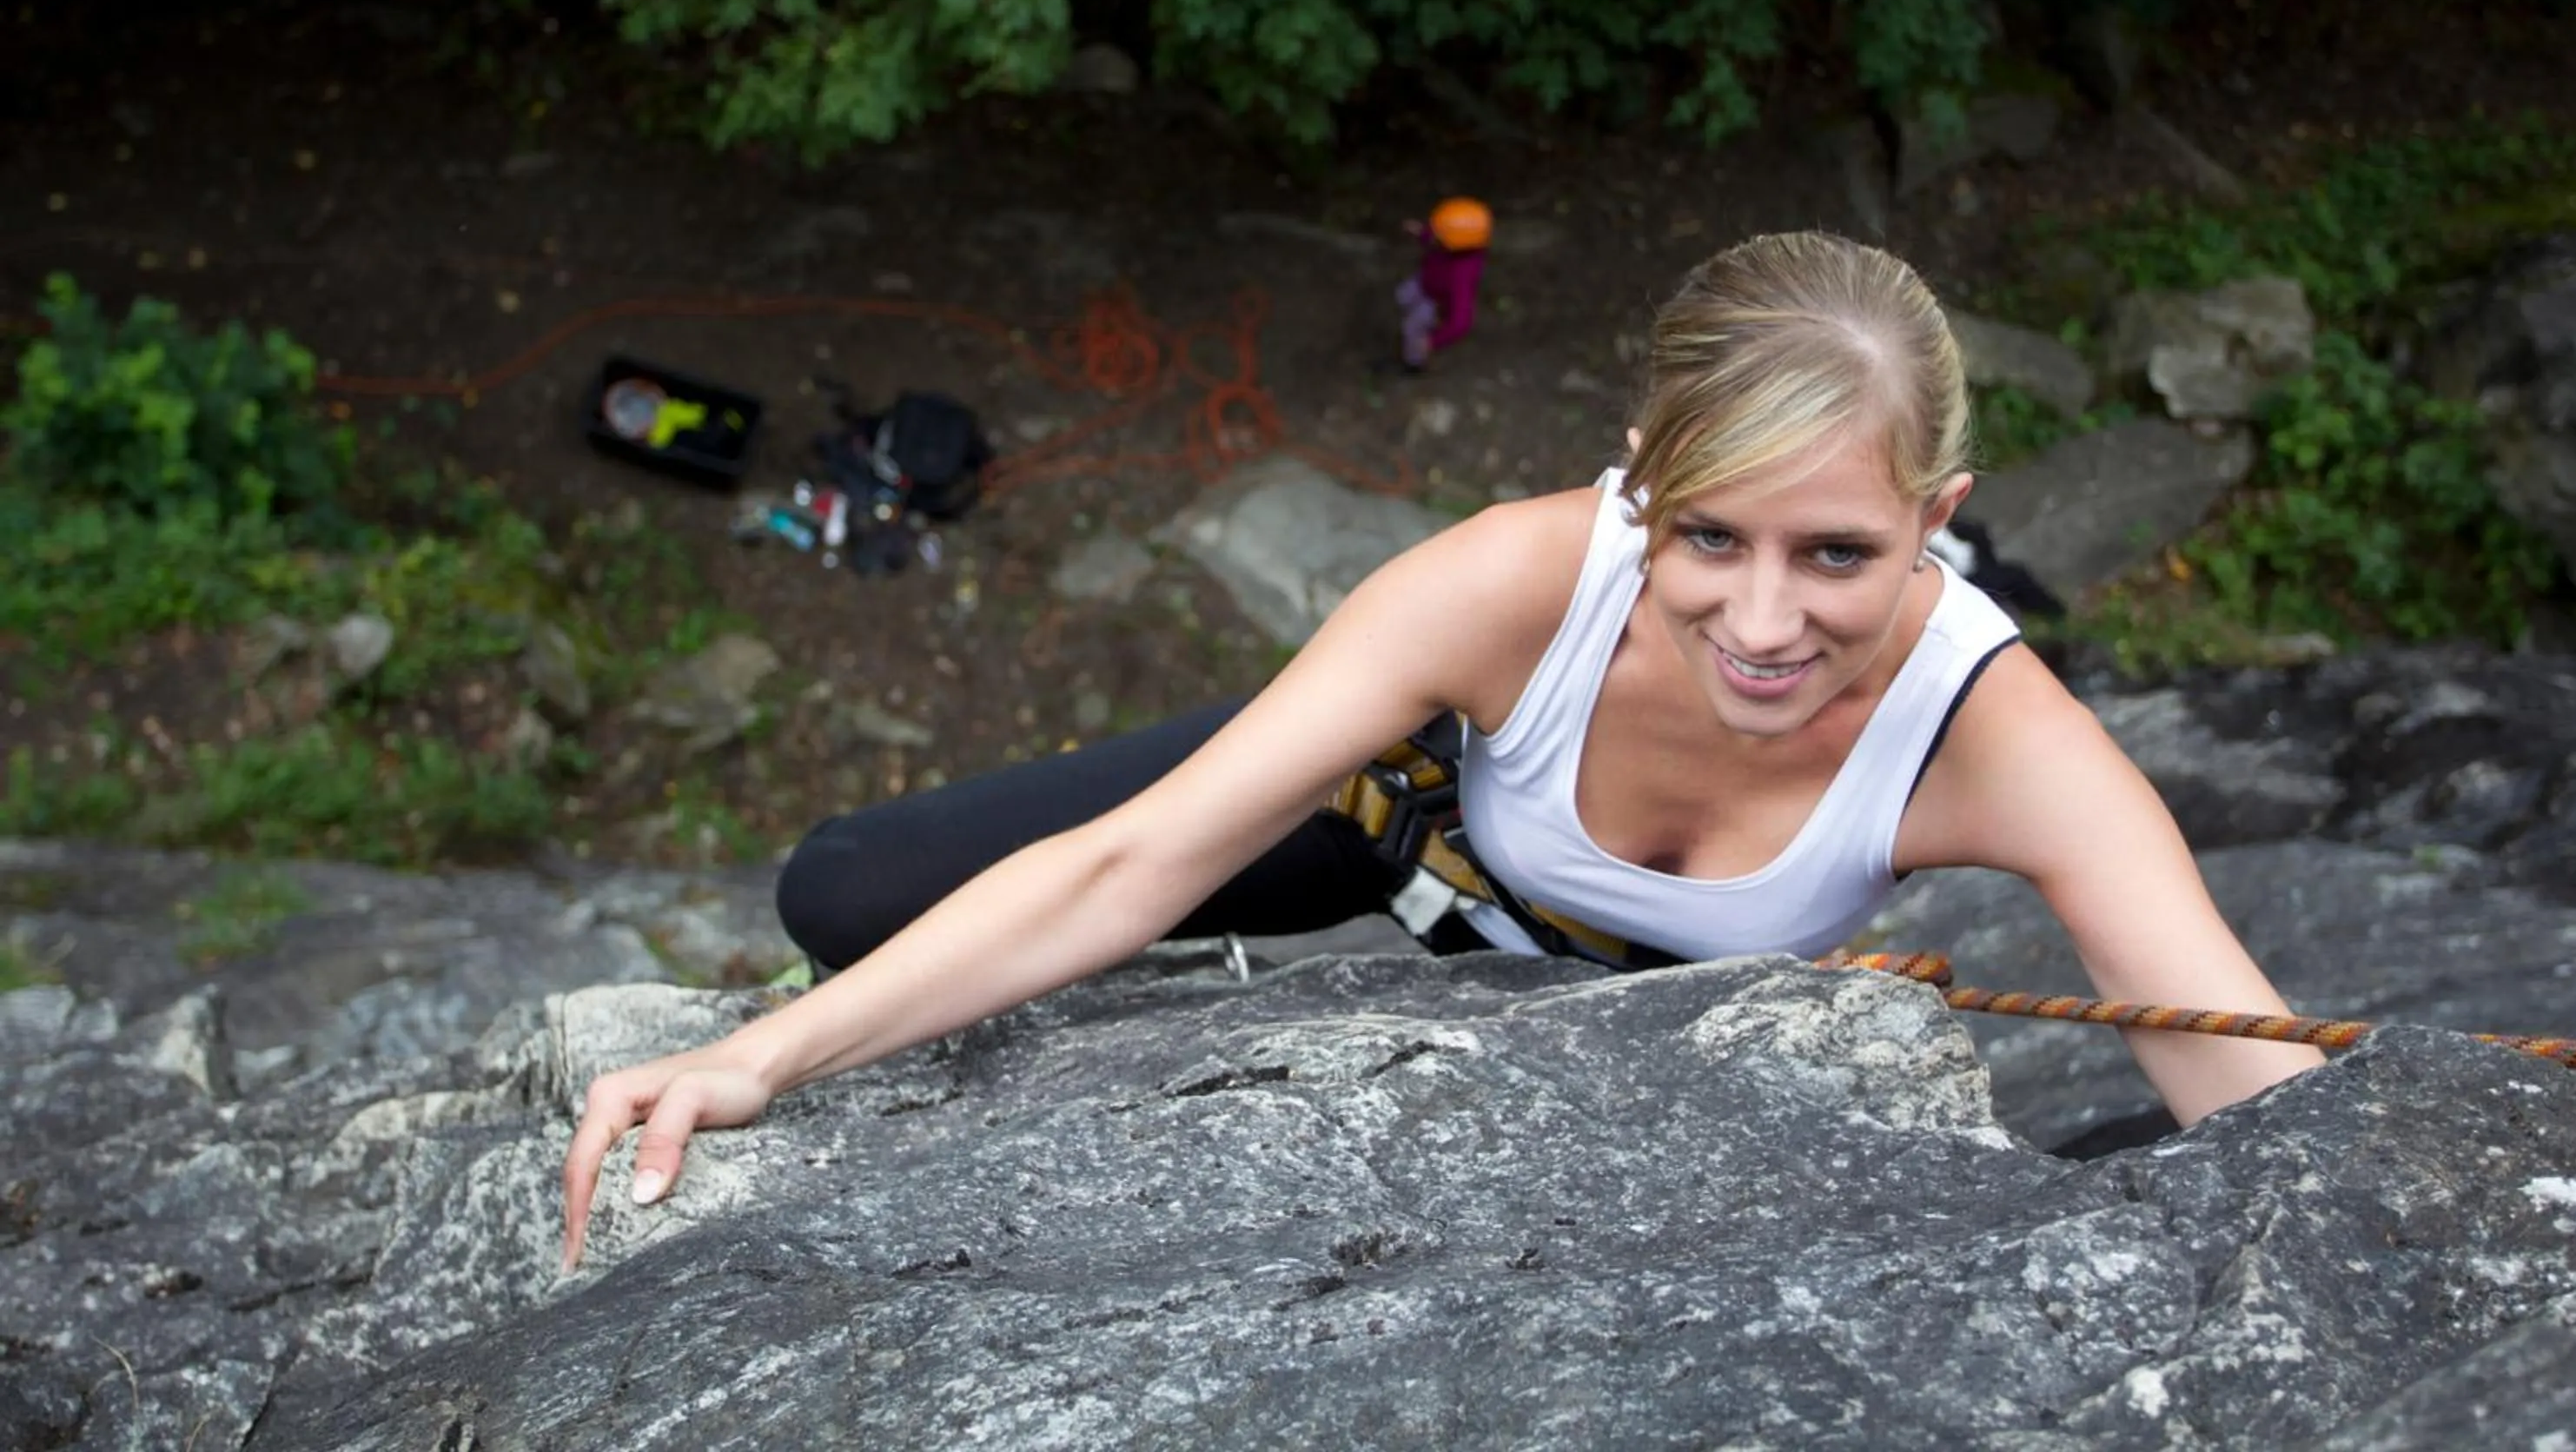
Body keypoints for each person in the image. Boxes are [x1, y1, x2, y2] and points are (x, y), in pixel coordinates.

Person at [560, 230, 2324, 1271]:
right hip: (1409, 825)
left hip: (1605, 991)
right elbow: (1132, 858)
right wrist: (762, 1058)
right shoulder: (1512, 585)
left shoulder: (1997, 734)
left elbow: (2252, 1083)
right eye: (1710, 538)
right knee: (847, 890)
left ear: (1939, 521)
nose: (1767, 623)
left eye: (1839, 555)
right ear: (1639, 478)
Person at [1395, 196, 1492, 371]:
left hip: (1435, 302)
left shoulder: (1461, 277)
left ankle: (1413, 364)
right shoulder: (1457, 243)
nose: (1432, 234)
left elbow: (1461, 321)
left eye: (1437, 234)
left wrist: (1432, 342)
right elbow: (1434, 239)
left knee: (1412, 329)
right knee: (1402, 296)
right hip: (1425, 281)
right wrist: (1421, 233)